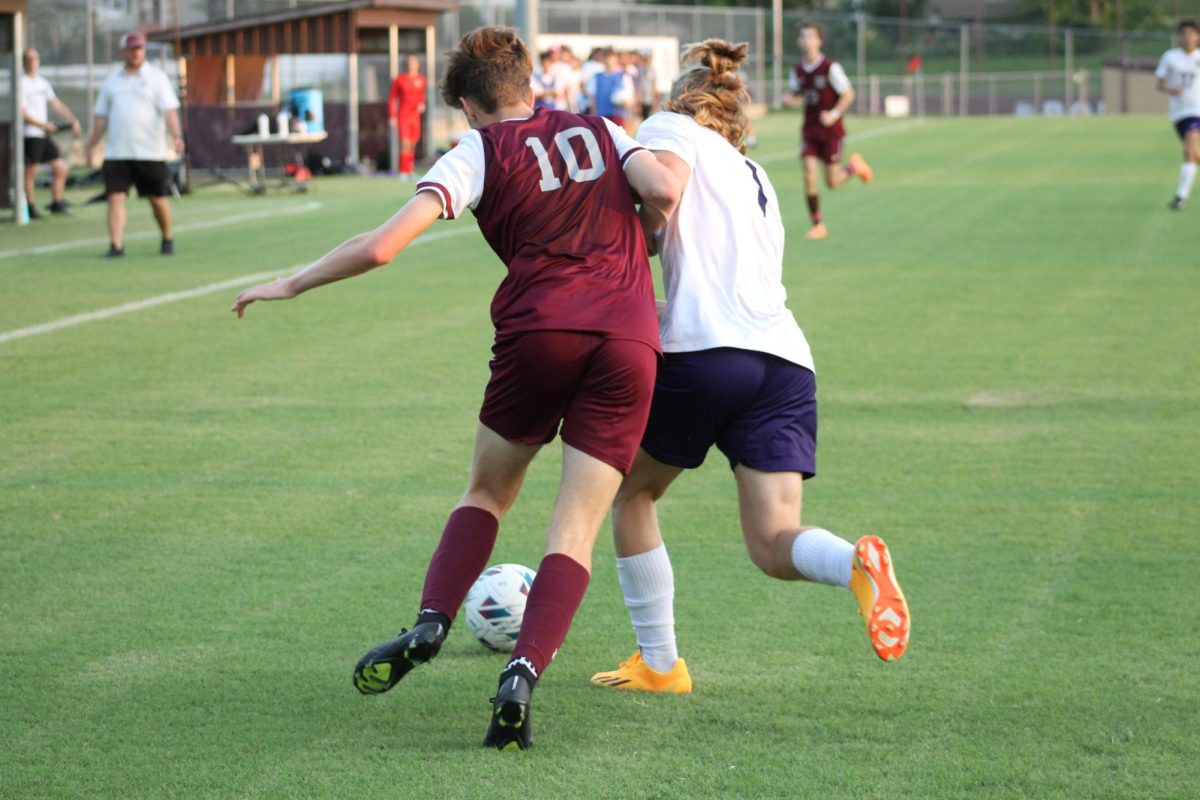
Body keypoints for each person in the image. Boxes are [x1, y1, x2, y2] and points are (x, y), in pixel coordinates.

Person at [231, 26, 679, 750]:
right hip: (630, 339)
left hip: (539, 333)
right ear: (529, 85)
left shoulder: (477, 149)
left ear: (468, 105)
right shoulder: (601, 126)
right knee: (574, 530)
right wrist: (644, 238)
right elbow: (661, 188)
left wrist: (294, 281)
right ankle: (523, 674)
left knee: (487, 493)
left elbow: (381, 246)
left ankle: (433, 622)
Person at [588, 40, 910, 695]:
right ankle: (855, 564)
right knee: (772, 541)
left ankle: (660, 665)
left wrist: (623, 235)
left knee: (632, 495)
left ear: (682, 96)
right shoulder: (756, 175)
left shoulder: (668, 130)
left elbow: (666, 194)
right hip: (785, 362)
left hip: (706, 352)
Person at [86, 31, 183, 258]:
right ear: (123, 51)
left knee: (156, 199)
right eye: (131, 48)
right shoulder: (112, 80)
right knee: (115, 197)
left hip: (149, 151)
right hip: (117, 151)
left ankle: (167, 237)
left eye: (139, 48)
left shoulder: (157, 78)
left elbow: (169, 111)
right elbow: (101, 117)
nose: (135, 52)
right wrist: (92, 144)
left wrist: (176, 136)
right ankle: (116, 245)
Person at [786, 23, 872, 241]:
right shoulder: (797, 70)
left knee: (832, 182)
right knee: (809, 176)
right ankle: (818, 224)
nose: (806, 40)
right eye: (803, 36)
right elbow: (797, 93)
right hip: (810, 130)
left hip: (832, 132)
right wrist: (790, 100)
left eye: (810, 36)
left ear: (819, 41)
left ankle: (854, 167)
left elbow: (848, 94)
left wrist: (833, 114)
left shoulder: (830, 67)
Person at [20, 48, 81, 219]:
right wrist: (43, 125)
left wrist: (72, 120)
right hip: (30, 134)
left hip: (42, 134)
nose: (32, 62)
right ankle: (29, 207)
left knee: (60, 167)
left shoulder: (42, 82)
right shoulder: (21, 83)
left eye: (35, 58)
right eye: (29, 59)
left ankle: (57, 202)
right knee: (31, 172)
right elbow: (23, 114)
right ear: (24, 62)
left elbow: (56, 103)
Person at [1155, 20, 1200, 210]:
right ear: (1179, 37)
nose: (1187, 37)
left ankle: (1181, 197)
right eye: (1184, 34)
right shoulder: (1170, 57)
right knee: (1194, 154)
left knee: (1189, 149)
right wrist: (1171, 89)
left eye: (1191, 33)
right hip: (1178, 112)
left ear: (1197, 36)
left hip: (1197, 110)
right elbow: (1159, 84)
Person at [388, 55, 427, 181]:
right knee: (405, 142)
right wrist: (392, 115)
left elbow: (422, 96)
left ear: (418, 64)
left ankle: (410, 170)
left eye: (414, 62)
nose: (412, 64)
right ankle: (403, 171)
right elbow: (392, 98)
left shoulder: (422, 80)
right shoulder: (400, 79)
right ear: (406, 64)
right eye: (410, 62)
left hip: (415, 116)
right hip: (403, 115)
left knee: (413, 143)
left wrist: (422, 104)